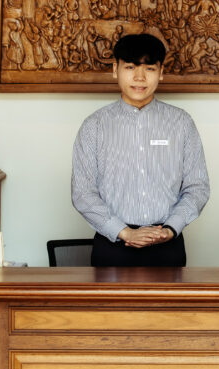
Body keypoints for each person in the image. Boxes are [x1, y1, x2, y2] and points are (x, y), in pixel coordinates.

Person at [72, 31, 210, 267]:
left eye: (149, 68)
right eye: (130, 67)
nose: (139, 77)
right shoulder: (94, 126)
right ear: (115, 70)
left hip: (167, 245)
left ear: (161, 73)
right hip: (113, 246)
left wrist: (170, 229)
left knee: (167, 306)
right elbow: (83, 193)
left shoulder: (181, 123)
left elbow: (197, 187)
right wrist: (124, 232)